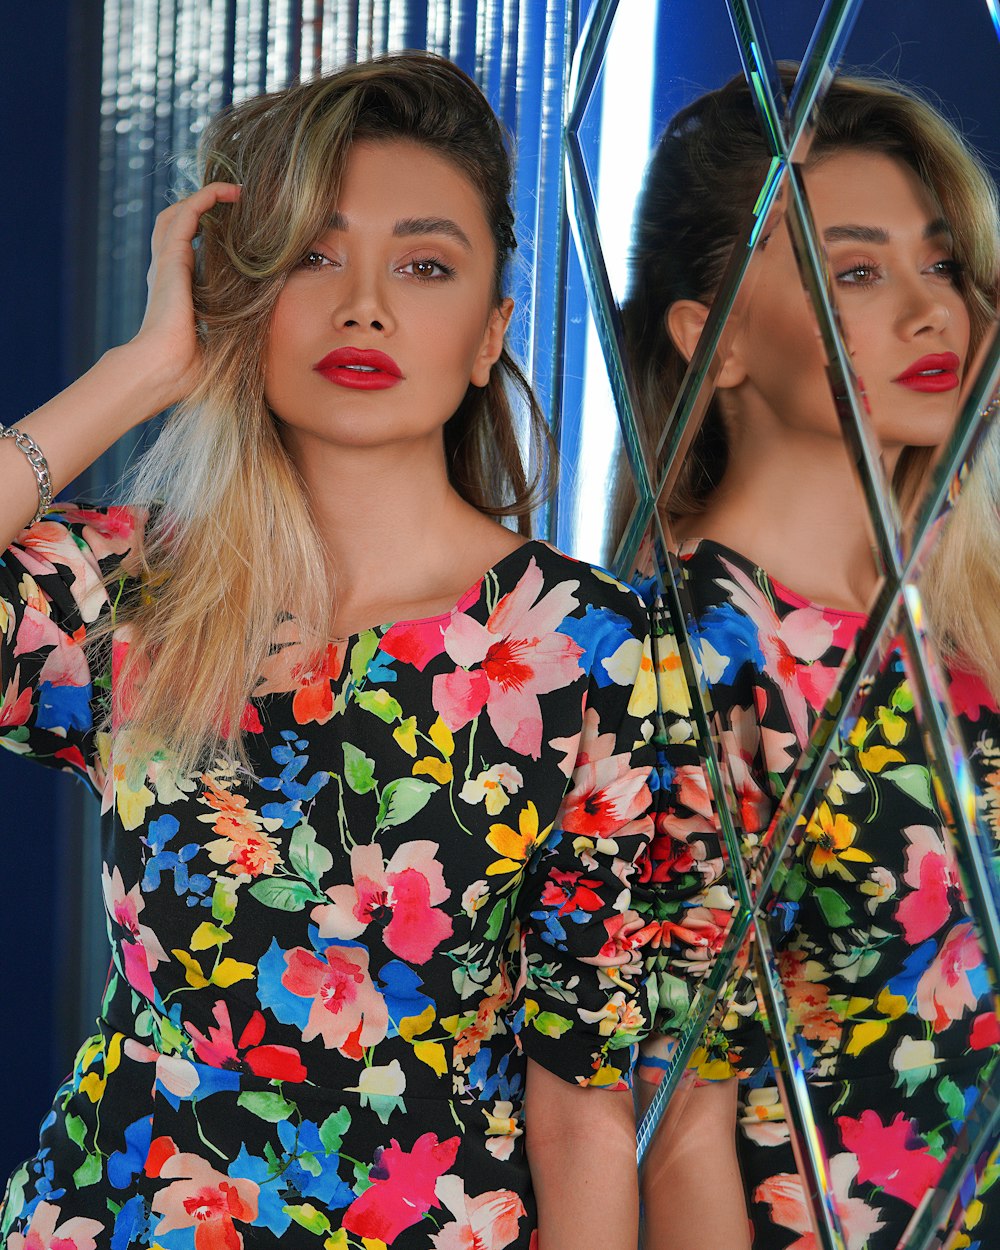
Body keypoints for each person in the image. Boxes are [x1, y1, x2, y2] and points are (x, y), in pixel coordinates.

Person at [0, 52, 657, 1250]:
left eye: (423, 264)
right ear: (240, 300)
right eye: (313, 253)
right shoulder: (140, 589)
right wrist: (139, 371)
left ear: (488, 331)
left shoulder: (593, 649)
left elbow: (585, 1098)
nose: (365, 305)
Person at [622, 64, 1000, 1249]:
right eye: (855, 271)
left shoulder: (965, 615)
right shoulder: (676, 654)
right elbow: (671, 1117)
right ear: (714, 338)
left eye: (942, 263)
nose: (932, 311)